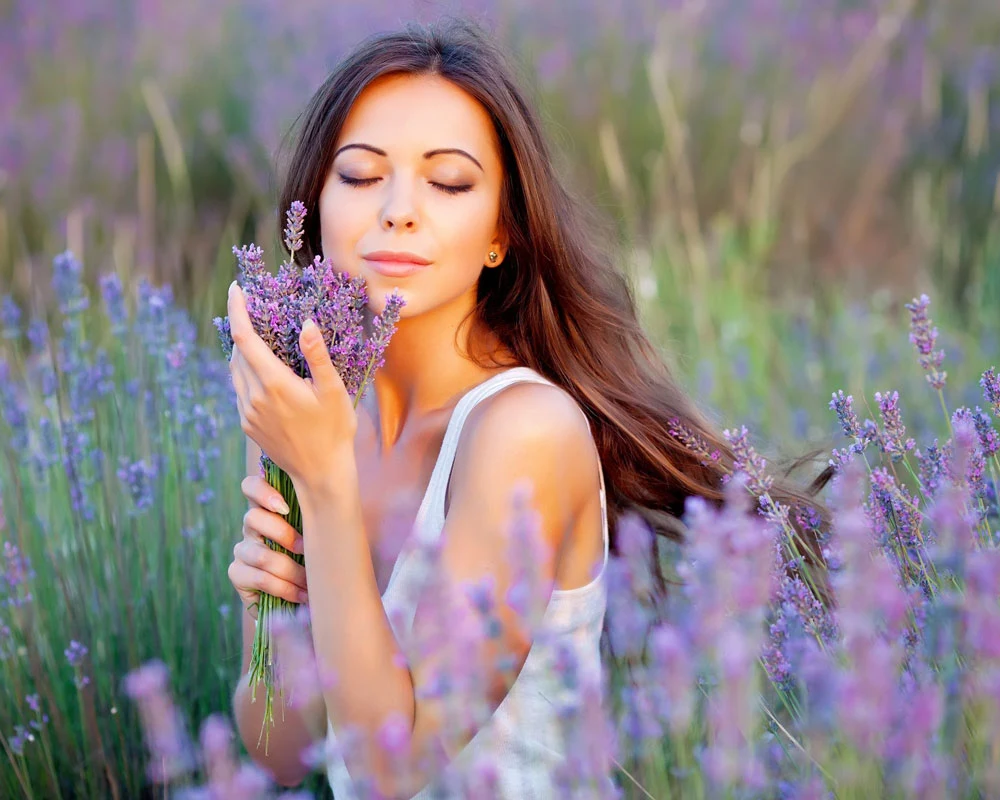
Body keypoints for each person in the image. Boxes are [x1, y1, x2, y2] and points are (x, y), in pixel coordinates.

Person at [223, 17, 829, 799]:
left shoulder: (523, 431)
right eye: (363, 175)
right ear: (315, 206)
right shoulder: (308, 413)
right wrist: (272, 618)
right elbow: (282, 756)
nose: (399, 210)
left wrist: (327, 490)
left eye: (448, 182)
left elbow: (388, 768)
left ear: (500, 233)